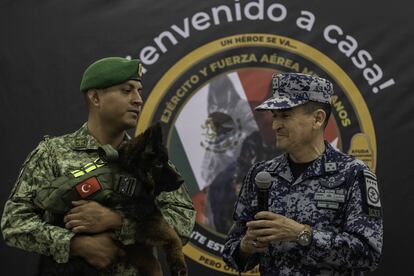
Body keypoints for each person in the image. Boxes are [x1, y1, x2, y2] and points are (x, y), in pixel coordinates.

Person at [1, 57, 196, 275]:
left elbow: (183, 220)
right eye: (126, 90)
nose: (138, 99)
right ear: (95, 97)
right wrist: (75, 245)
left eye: (139, 91)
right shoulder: (52, 153)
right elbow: (14, 222)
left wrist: (118, 222)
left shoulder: (147, 159)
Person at [222, 72, 383, 275]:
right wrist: (245, 247)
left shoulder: (353, 174)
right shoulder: (261, 175)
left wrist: (302, 234)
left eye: (285, 115)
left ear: (317, 119)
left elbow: (369, 255)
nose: (275, 125)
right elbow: (231, 254)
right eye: (275, 116)